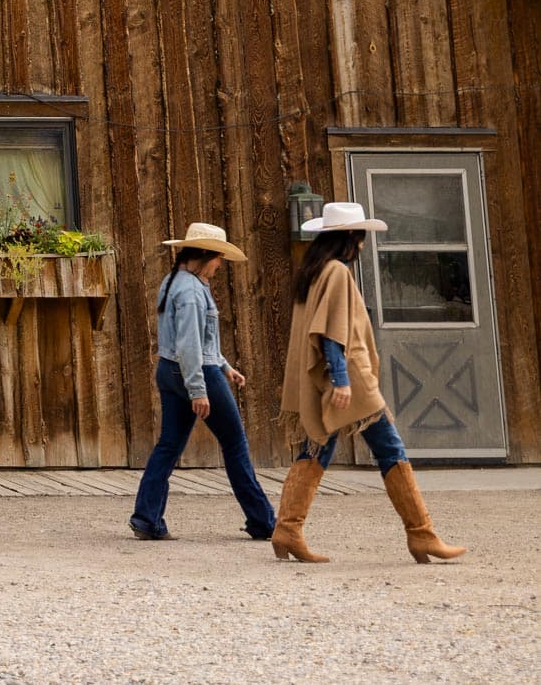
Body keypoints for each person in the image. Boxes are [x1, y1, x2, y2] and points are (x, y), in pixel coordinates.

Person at [270, 200, 467, 564]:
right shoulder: (337, 273)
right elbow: (330, 334)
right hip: (352, 379)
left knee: (317, 448)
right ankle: (422, 535)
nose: (362, 245)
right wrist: (342, 380)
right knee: (391, 448)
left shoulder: (313, 272)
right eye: (359, 237)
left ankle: (288, 529)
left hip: (333, 378)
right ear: (349, 238)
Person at [129, 222, 275, 541]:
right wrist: (199, 389)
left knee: (168, 446)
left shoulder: (174, 281)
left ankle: (146, 518)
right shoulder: (194, 291)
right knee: (235, 444)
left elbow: (195, 339)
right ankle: (263, 521)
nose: (220, 264)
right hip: (194, 373)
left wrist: (225, 366)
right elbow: (190, 345)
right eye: (218, 257)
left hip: (169, 371)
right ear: (206, 254)